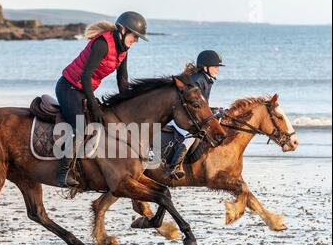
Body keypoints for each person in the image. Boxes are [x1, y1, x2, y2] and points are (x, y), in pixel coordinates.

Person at [55, 11, 148, 187]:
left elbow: (122, 80)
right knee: (81, 128)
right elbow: (85, 76)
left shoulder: (123, 50)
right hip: (69, 87)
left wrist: (129, 105)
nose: (136, 40)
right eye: (135, 36)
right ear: (122, 30)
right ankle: (63, 172)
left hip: (84, 89)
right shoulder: (102, 44)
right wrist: (94, 106)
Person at [165, 50, 225, 180]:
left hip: (191, 114)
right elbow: (194, 107)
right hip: (180, 116)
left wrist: (216, 110)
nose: (217, 69)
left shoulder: (207, 80)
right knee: (190, 136)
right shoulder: (196, 81)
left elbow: (203, 105)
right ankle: (174, 167)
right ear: (205, 67)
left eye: (218, 67)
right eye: (215, 67)